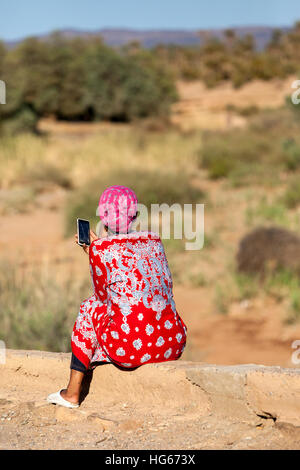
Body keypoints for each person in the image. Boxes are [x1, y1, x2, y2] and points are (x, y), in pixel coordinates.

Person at [47, 185, 187, 408]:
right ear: (136, 215)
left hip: (130, 348)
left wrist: (95, 252)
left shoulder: (103, 250)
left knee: (88, 308)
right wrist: (97, 252)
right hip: (172, 344)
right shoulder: (155, 242)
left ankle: (72, 393)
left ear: (102, 217)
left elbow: (103, 298)